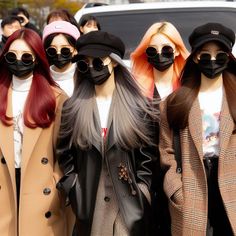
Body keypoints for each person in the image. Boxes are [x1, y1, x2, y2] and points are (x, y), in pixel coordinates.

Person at [56, 31, 159, 236]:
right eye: (84, 64)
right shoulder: (73, 108)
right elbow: (65, 154)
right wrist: (75, 189)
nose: (92, 69)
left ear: (113, 63)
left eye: (98, 62)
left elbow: (148, 157)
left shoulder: (138, 107)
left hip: (129, 207)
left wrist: (142, 192)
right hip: (89, 205)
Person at [159, 22, 236, 235]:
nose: (212, 61)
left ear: (228, 58)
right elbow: (166, 152)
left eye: (220, 55)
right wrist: (176, 190)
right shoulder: (174, 102)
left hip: (231, 185)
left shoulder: (234, 98)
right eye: (205, 55)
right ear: (195, 57)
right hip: (191, 184)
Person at [0, 28, 74, 236]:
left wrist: (55, 183)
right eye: (12, 56)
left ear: (36, 59)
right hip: (4, 185)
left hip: (42, 191)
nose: (18, 61)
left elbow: (65, 151)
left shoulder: (55, 97)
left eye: (26, 56)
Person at [131, 22, 189, 100]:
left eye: (166, 49)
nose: (159, 55)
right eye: (152, 50)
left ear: (177, 51)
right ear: (145, 53)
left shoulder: (189, 86)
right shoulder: (135, 89)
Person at [42, 20, 80, 96]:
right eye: (52, 50)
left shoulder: (86, 77)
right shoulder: (41, 79)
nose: (58, 54)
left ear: (75, 50)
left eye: (65, 50)